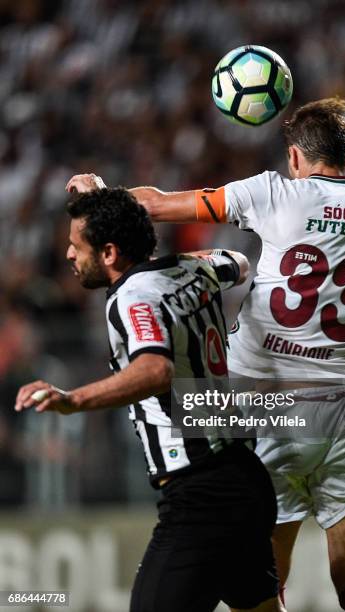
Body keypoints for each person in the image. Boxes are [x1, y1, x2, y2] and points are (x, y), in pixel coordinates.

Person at [66, 97, 345, 612]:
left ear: (294, 158)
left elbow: (153, 204)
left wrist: (98, 195)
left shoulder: (272, 194)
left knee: (263, 586)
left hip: (267, 405)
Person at [15, 188, 283, 612]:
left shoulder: (132, 298)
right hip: (246, 479)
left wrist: (74, 400)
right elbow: (240, 262)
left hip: (200, 492)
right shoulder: (195, 271)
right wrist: (115, 206)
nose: (68, 254)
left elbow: (155, 370)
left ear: (108, 252)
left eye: (76, 245)